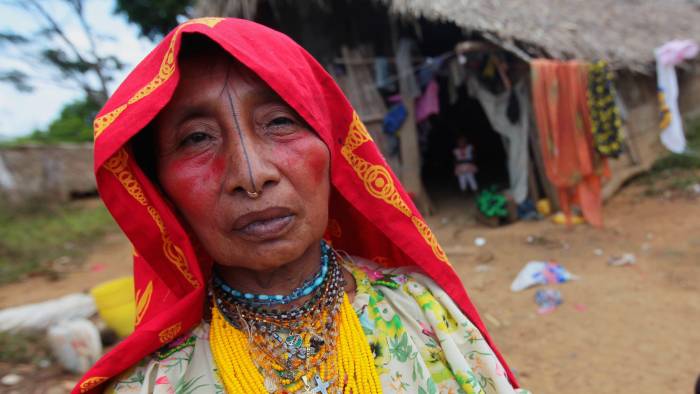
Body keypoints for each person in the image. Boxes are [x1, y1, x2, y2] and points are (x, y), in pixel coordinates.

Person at [76, 18, 526, 394]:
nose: (250, 175)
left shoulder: (423, 312)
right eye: (197, 138)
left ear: (333, 148)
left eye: (280, 122)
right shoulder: (153, 382)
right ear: (159, 188)